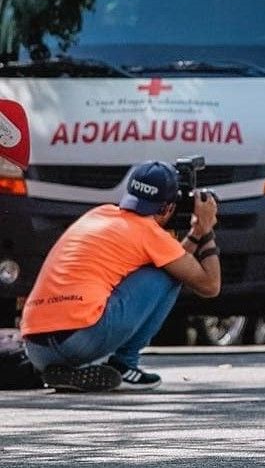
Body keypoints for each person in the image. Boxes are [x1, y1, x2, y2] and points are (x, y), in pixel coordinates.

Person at [21, 161, 221, 392]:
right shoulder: (150, 233)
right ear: (167, 208)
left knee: (164, 269)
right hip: (78, 341)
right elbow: (210, 285)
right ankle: (125, 365)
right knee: (168, 277)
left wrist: (195, 234)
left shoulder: (98, 214)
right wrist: (206, 230)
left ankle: (66, 372)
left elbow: (175, 259)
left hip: (36, 346)